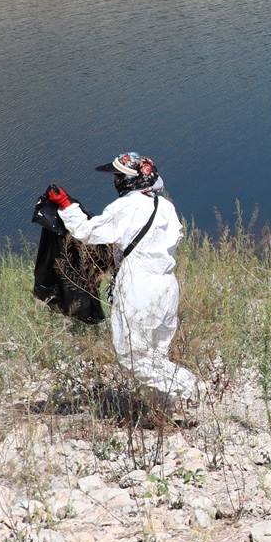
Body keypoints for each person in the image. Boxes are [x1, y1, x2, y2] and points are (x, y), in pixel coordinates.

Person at [45, 152, 200, 404]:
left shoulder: (127, 206)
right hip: (167, 284)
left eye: (119, 175)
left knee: (131, 356)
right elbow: (176, 238)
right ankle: (162, 408)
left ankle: (190, 388)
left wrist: (66, 206)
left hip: (139, 284)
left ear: (131, 180)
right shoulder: (166, 206)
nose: (116, 180)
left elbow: (86, 231)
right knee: (154, 352)